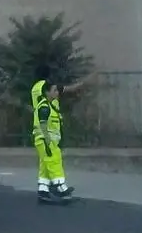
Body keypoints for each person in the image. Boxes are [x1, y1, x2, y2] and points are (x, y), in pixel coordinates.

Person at [31, 66, 93, 203]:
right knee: (54, 161)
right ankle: (60, 187)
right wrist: (84, 83)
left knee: (45, 164)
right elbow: (68, 89)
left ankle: (43, 190)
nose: (57, 92)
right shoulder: (47, 88)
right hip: (48, 133)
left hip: (42, 133)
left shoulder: (34, 89)